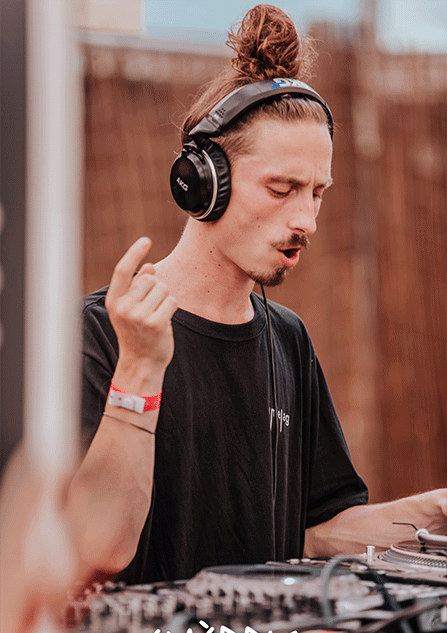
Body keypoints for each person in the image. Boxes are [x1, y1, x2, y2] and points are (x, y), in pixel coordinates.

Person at [68, 4, 447, 585]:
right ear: (202, 184)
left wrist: (433, 512)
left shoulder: (287, 339)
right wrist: (139, 368)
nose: (306, 221)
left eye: (316, 193)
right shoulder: (100, 333)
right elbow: (96, 548)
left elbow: (315, 532)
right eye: (281, 188)